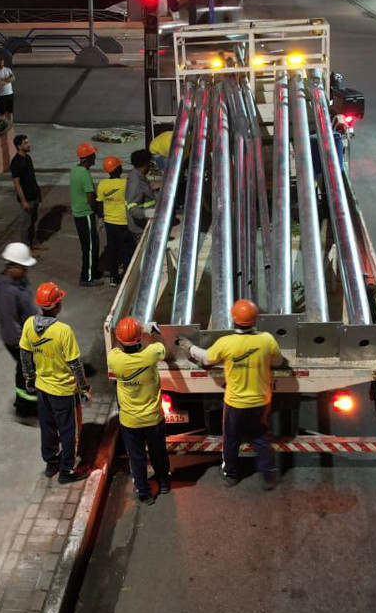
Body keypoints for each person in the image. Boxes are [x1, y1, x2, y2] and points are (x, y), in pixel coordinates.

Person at [179, 299, 285, 491]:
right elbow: (277, 362)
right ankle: (268, 474)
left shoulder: (226, 343)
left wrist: (188, 347)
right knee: (260, 437)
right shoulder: (267, 340)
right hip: (260, 401)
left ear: (233, 319)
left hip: (235, 404)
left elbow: (206, 358)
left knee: (231, 439)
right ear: (255, 319)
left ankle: (231, 474)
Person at [19, 281, 91, 483]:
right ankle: (66, 471)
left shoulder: (29, 324)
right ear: (58, 305)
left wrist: (29, 377)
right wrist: (84, 386)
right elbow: (75, 363)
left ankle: (51, 464)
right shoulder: (63, 331)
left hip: (42, 388)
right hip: (63, 391)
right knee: (69, 431)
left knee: (48, 427)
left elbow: (25, 354)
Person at [107, 316, 171, 505]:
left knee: (136, 457)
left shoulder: (114, 359)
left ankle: (144, 492)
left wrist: (135, 333)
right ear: (138, 339)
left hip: (130, 420)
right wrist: (146, 331)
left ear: (119, 340)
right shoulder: (150, 354)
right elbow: (162, 349)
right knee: (158, 452)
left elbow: (119, 349)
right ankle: (164, 482)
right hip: (153, 418)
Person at [0, 242, 39, 420]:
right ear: (12, 266)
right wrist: (24, 343)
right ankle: (25, 407)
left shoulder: (18, 282)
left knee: (28, 369)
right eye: (23, 267)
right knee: (26, 371)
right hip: (18, 340)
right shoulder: (7, 292)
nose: (26, 271)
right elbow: (9, 321)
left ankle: (28, 401)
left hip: (26, 335)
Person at [69, 142, 103, 287]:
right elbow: (91, 199)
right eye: (93, 155)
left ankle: (92, 271)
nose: (96, 157)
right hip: (86, 214)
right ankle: (87, 277)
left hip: (78, 213)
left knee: (90, 244)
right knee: (90, 246)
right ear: (89, 158)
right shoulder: (85, 175)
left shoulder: (74, 170)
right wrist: (99, 212)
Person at [96, 155, 131, 285]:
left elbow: (99, 203)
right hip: (123, 222)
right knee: (127, 249)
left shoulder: (102, 184)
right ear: (117, 169)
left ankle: (114, 277)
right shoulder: (125, 184)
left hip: (109, 223)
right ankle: (126, 274)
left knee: (112, 250)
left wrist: (101, 218)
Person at [11, 134, 42, 249]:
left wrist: (38, 193)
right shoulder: (16, 163)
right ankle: (25, 248)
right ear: (19, 146)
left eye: (28, 142)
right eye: (25, 143)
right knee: (25, 224)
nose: (29, 145)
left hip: (34, 196)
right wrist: (23, 201)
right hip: (27, 199)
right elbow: (17, 184)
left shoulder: (28, 158)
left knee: (33, 221)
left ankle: (33, 242)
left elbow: (32, 177)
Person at [125, 150, 156, 242]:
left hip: (145, 225)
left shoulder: (139, 176)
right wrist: (149, 213)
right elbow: (132, 209)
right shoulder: (136, 181)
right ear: (146, 163)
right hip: (141, 229)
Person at [0, 57, 16, 124]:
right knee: (2, 113)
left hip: (10, 93)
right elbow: (0, 83)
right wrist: (8, 79)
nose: (1, 64)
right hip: (1, 95)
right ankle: (4, 127)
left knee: (10, 112)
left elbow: (14, 78)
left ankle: (11, 126)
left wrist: (3, 80)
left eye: (2, 62)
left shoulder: (8, 69)